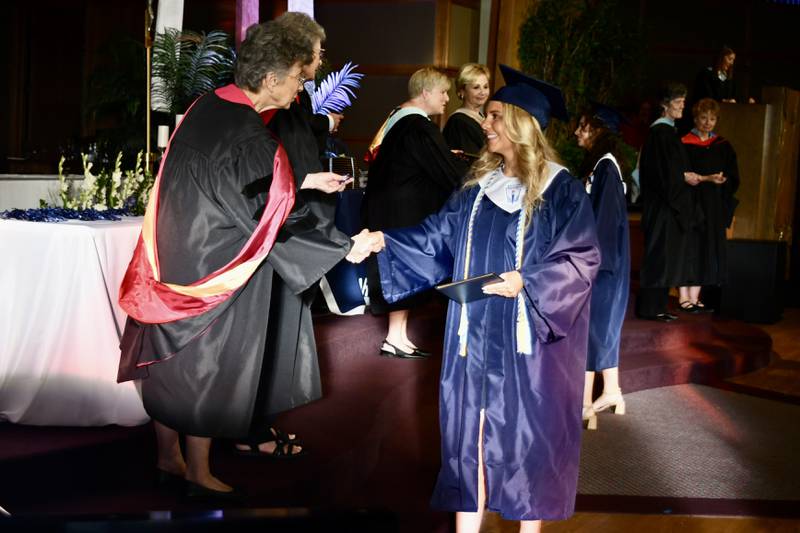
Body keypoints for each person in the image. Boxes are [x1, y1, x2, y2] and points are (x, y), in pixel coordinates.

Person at [116, 21, 373, 499]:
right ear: (273, 79)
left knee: (167, 359)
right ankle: (197, 469)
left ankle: (167, 457)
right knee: (205, 365)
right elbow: (266, 220)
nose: (303, 86)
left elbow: (237, 187)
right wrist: (345, 247)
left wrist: (304, 182)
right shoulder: (251, 138)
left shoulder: (208, 107)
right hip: (219, 260)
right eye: (299, 76)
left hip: (174, 250)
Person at [363, 65, 600, 532]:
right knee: (465, 439)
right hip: (472, 338)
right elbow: (437, 236)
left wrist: (528, 281)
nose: (483, 124)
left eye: (493, 116)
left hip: (527, 342)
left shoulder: (561, 190)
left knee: (525, 440)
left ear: (519, 123)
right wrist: (385, 240)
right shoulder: (476, 188)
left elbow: (581, 259)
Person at [362, 67, 468, 359]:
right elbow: (445, 171)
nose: (448, 98)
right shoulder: (419, 127)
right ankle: (394, 337)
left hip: (390, 207)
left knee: (401, 271)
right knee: (402, 270)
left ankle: (398, 336)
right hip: (402, 212)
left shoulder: (398, 118)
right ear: (426, 93)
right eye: (443, 92)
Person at [574, 103, 631, 428]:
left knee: (592, 327)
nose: (578, 132)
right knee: (604, 328)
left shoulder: (605, 169)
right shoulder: (604, 166)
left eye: (584, 126)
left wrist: (591, 264)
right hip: (609, 262)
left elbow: (606, 222)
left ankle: (584, 406)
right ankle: (611, 392)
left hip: (603, 264)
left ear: (598, 131)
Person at [636, 82, 695, 322]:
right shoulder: (661, 134)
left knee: (663, 256)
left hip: (665, 206)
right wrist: (684, 178)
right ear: (665, 105)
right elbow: (663, 174)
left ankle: (657, 306)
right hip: (662, 206)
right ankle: (651, 308)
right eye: (678, 101)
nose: (683, 105)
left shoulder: (667, 132)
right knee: (658, 256)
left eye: (683, 101)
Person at [680, 98, 739, 311]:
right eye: (703, 118)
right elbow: (680, 175)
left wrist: (724, 180)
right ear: (695, 118)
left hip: (713, 204)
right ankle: (683, 297)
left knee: (706, 249)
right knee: (690, 249)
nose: (707, 122)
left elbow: (733, 175)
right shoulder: (684, 143)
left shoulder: (722, 145)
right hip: (691, 204)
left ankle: (695, 298)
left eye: (712, 119)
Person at [442, 63, 491, 157]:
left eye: (485, 87)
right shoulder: (459, 122)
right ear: (462, 91)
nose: (483, 92)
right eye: (476, 87)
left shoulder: (481, 116)